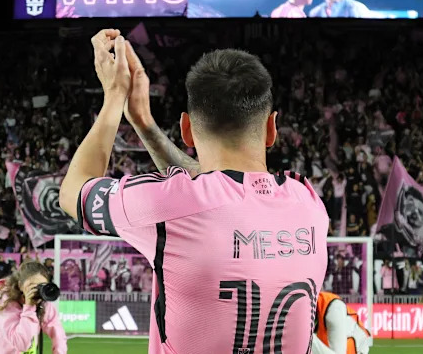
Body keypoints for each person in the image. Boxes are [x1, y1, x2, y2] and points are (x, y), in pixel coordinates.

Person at [59, 29, 329, 353]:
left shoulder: (167, 204)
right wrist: (145, 125)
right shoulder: (308, 202)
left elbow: (72, 192)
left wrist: (115, 98)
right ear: (272, 128)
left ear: (186, 130)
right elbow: (221, 187)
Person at [0, 261, 67, 354]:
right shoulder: (2, 304)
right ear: (20, 285)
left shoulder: (43, 304)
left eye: (41, 286)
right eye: (31, 285)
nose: (36, 290)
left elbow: (57, 331)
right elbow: (21, 343)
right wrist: (29, 307)